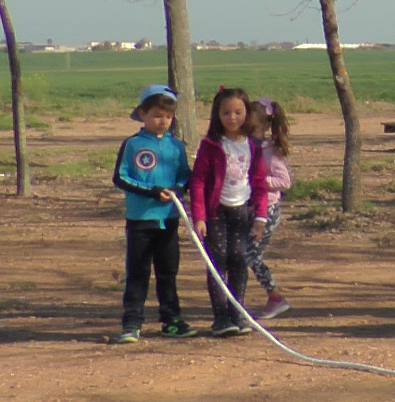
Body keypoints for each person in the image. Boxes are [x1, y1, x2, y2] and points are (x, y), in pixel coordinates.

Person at [110, 85, 194, 344]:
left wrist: (178, 189)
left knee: (168, 271)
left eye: (168, 117)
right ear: (143, 114)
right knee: (138, 271)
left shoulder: (176, 147)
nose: (162, 121)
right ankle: (132, 323)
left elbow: (184, 175)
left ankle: (171, 320)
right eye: (157, 115)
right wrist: (152, 191)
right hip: (140, 220)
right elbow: (121, 178)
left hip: (168, 219)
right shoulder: (132, 144)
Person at [189, 86, 274, 338]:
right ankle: (221, 318)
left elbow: (260, 183)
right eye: (226, 113)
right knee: (218, 261)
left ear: (247, 114)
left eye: (238, 112)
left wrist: (260, 217)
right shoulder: (211, 145)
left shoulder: (254, 147)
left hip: (242, 213)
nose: (232, 118)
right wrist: (200, 217)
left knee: (239, 259)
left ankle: (237, 312)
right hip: (216, 214)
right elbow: (198, 182)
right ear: (217, 115)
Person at [246, 97, 295, 321]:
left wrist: (257, 180)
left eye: (252, 126)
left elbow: (284, 182)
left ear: (265, 126)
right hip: (250, 209)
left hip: (268, 211)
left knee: (251, 255)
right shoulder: (246, 147)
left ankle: (275, 297)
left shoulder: (270, 151)